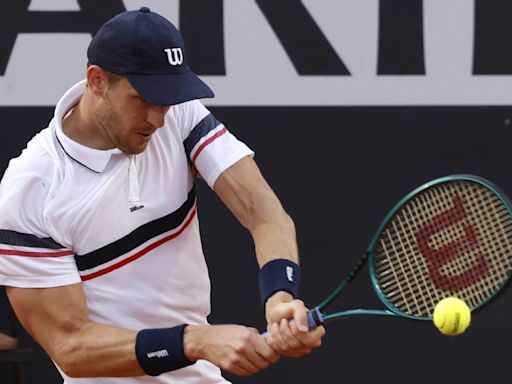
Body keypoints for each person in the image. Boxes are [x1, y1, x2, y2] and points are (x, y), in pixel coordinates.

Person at [0, 7, 325, 383]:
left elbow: (263, 212)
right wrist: (195, 341)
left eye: (167, 99)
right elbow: (70, 346)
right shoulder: (30, 191)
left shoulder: (180, 116)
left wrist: (280, 296)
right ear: (97, 81)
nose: (157, 118)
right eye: (143, 99)